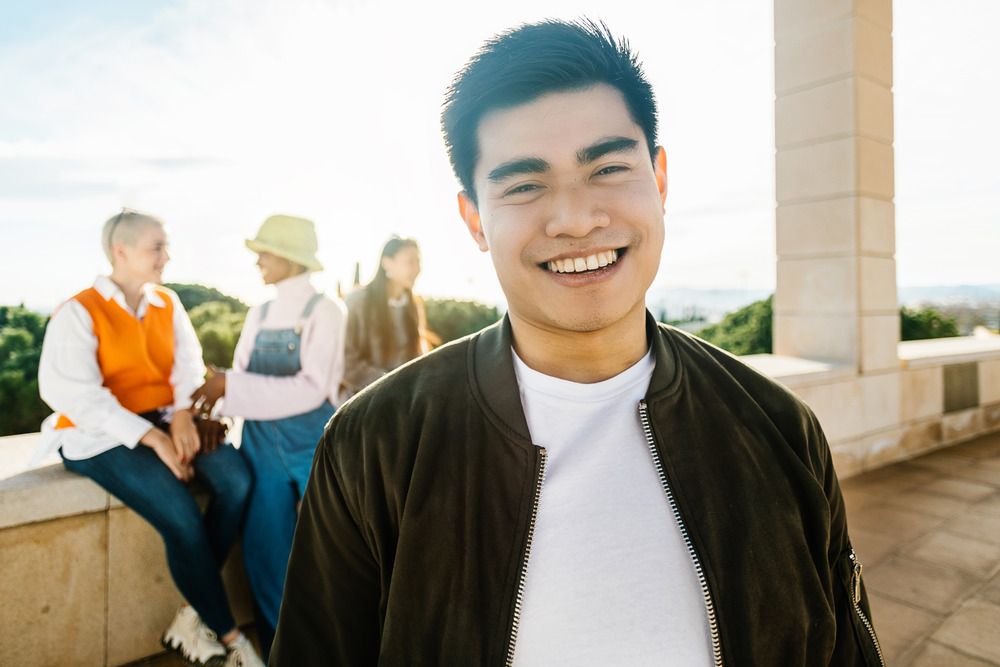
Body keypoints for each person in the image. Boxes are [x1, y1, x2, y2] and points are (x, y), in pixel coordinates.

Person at [271, 19, 884, 667]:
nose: (576, 218)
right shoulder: (374, 447)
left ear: (660, 178)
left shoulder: (780, 429)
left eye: (609, 167)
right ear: (475, 219)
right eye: (525, 185)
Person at [34, 209, 264, 667]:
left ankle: (190, 615)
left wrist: (180, 417)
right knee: (180, 514)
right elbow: (73, 395)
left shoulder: (168, 303)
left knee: (237, 482)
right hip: (96, 436)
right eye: (156, 247)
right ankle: (233, 640)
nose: (167, 256)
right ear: (121, 251)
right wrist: (155, 440)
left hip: (161, 420)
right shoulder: (78, 311)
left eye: (166, 246)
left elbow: (186, 364)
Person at [190, 214, 347, 662]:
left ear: (292, 259)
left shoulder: (326, 311)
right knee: (265, 561)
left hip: (312, 452)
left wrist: (229, 389)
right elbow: (237, 380)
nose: (257, 259)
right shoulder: (258, 313)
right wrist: (216, 409)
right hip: (259, 454)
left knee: (326, 565)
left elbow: (312, 388)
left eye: (266, 251)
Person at [340, 236, 433, 396]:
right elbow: (345, 361)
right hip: (360, 399)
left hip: (401, 397)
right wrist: (389, 384)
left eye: (418, 262)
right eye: (410, 262)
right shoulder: (357, 302)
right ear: (387, 263)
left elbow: (417, 355)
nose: (417, 268)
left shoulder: (412, 304)